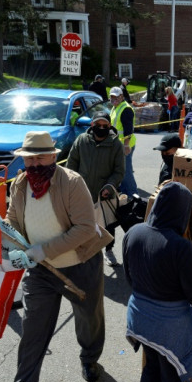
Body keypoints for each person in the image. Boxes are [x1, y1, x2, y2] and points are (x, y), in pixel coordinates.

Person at [2, 131, 111, 382]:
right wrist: (0, 230)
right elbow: (13, 220)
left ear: (53, 156)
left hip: (80, 266)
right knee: (33, 328)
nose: (34, 164)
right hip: (40, 271)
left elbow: (86, 228)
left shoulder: (72, 182)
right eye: (29, 159)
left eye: (41, 158)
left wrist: (44, 250)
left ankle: (89, 359)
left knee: (89, 321)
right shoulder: (19, 184)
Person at [123, 182, 192, 382]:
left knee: (152, 367)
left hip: (139, 318)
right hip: (168, 329)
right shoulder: (180, 246)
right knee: (172, 379)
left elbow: (129, 277)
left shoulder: (133, 232)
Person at [66, 111, 125, 267]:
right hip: (82, 192)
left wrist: (110, 187)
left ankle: (109, 250)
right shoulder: (81, 141)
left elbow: (119, 171)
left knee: (108, 224)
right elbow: (71, 165)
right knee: (79, 224)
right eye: (98, 125)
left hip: (105, 193)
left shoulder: (116, 145)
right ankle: (80, 252)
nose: (101, 128)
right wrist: (72, 185)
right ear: (92, 125)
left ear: (109, 126)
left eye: (104, 125)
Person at [109, 86, 138, 197]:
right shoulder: (116, 107)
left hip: (125, 145)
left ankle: (132, 195)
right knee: (121, 170)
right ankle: (125, 193)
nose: (113, 99)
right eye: (112, 96)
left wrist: (126, 145)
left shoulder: (125, 109)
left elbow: (128, 129)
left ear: (121, 96)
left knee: (126, 171)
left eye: (116, 97)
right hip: (118, 145)